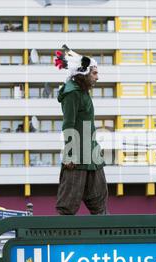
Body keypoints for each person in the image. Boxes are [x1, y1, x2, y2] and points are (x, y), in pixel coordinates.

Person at [54, 45, 108, 215]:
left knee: (100, 205)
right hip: (76, 158)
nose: (97, 77)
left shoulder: (83, 92)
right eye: (94, 73)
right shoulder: (72, 94)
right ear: (83, 73)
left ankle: (104, 240)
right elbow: (68, 124)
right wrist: (70, 154)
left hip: (92, 155)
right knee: (67, 207)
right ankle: (60, 242)